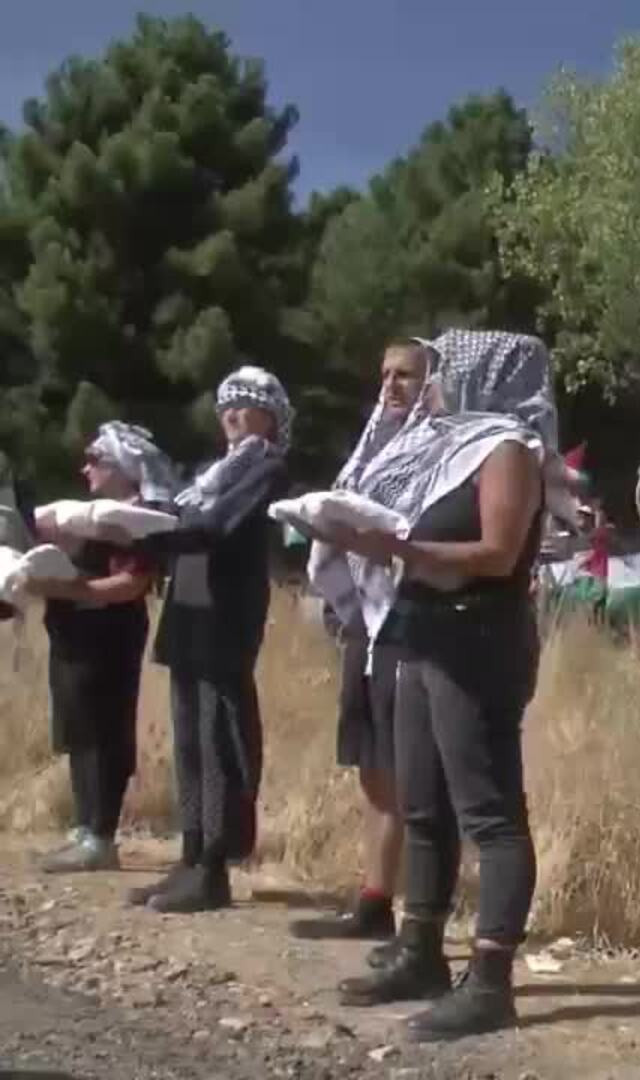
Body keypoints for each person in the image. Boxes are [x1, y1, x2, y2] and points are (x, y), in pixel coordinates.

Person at [323, 330, 559, 1041]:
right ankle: (420, 949)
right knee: (423, 803)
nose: (432, 383)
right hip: (420, 632)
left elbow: (497, 553)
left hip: (475, 640)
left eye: (444, 371)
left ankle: (489, 981)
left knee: (488, 812)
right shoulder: (445, 446)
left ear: (482, 376)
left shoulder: (508, 448)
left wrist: (399, 549)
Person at [127, 367, 294, 915]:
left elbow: (217, 525)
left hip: (226, 614)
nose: (231, 415)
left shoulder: (266, 467)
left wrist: (153, 529)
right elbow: (184, 517)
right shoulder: (209, 470)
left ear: (270, 416)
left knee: (219, 736)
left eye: (245, 405)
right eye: (226, 405)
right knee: (190, 740)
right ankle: (191, 852)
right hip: (189, 607)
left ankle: (215, 866)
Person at [289, 340, 435, 950]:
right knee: (373, 766)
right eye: (385, 375)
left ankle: (420, 917)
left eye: (405, 375)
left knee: (413, 773)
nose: (391, 386)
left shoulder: (441, 448)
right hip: (366, 624)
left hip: (412, 619)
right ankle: (374, 900)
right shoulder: (374, 448)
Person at [27, 423, 175, 873]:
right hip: (74, 635)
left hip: (109, 635)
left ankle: (101, 834)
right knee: (77, 727)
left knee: (104, 731)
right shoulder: (92, 517)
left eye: (95, 459)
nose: (85, 468)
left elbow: (132, 583)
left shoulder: (138, 519)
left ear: (122, 467)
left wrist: (68, 589)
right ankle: (84, 826)